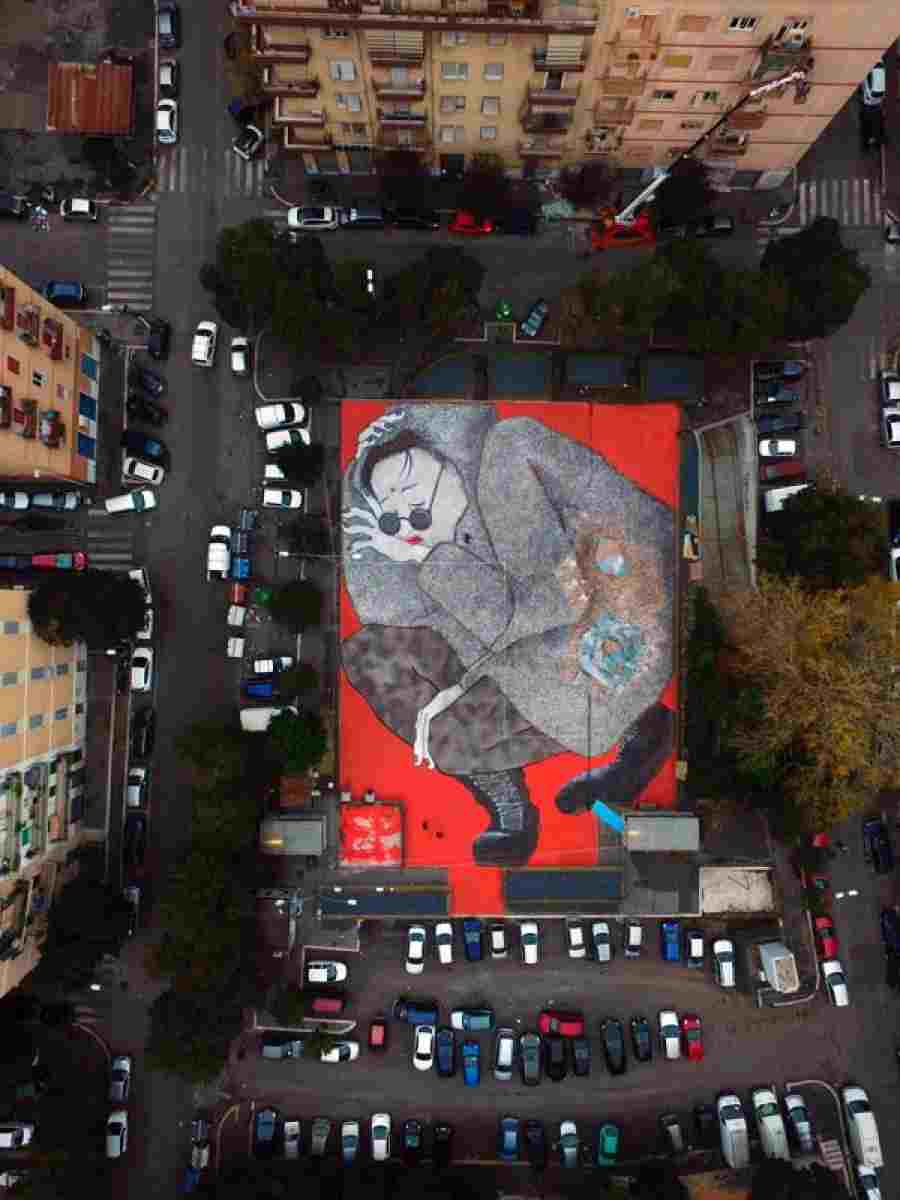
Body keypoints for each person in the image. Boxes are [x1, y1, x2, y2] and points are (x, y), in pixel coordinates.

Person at [342, 405, 674, 867]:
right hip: (570, 660)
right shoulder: (446, 550)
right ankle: (512, 786)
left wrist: (429, 558)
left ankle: (635, 723)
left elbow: (555, 602)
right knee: (370, 653)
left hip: (624, 629)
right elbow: (475, 638)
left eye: (402, 479)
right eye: (389, 505)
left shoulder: (504, 464)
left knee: (487, 668)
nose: (400, 503)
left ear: (446, 459)